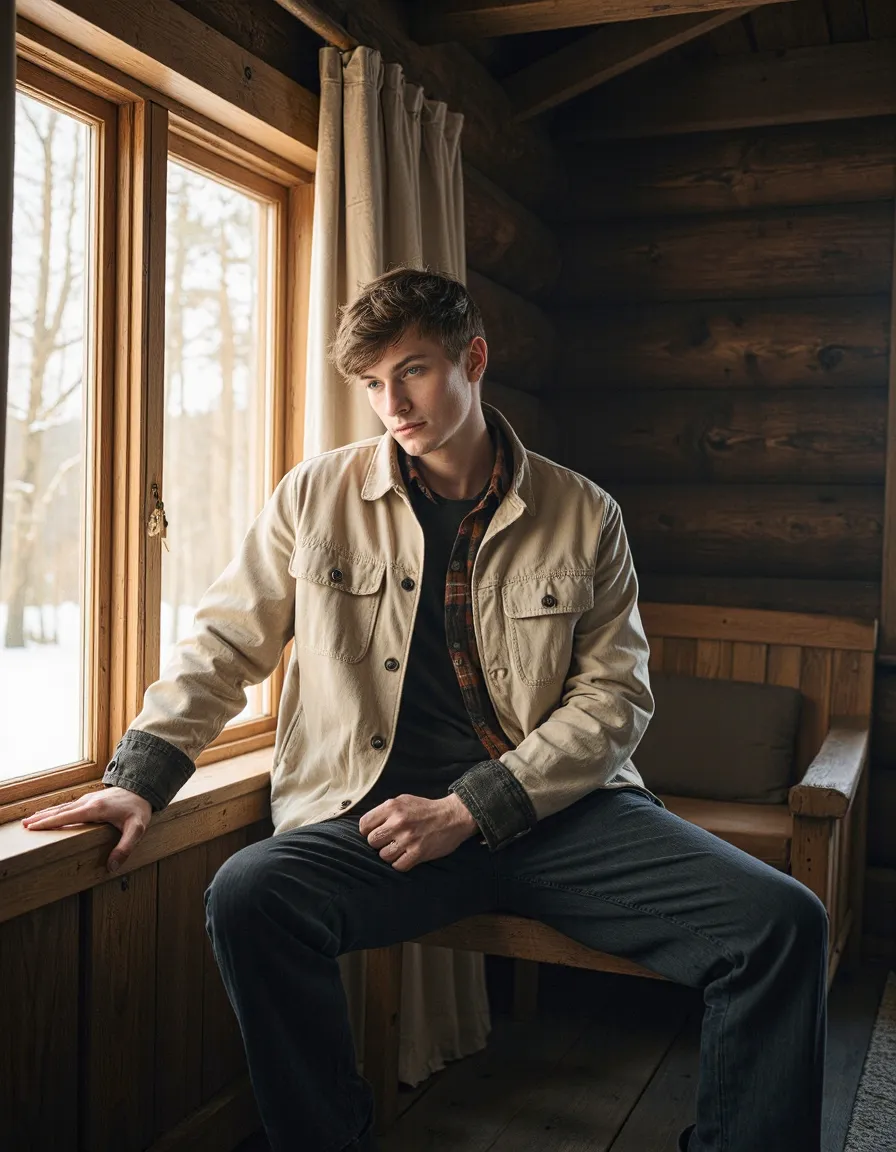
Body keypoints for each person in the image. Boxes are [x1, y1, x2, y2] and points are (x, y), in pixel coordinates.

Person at [22, 268, 828, 1152]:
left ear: (473, 358)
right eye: (371, 383)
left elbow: (614, 700)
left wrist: (470, 809)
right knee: (249, 894)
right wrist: (140, 780)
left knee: (783, 924)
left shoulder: (584, 512)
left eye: (411, 370)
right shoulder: (314, 496)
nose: (391, 402)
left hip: (561, 816)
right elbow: (224, 644)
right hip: (376, 819)